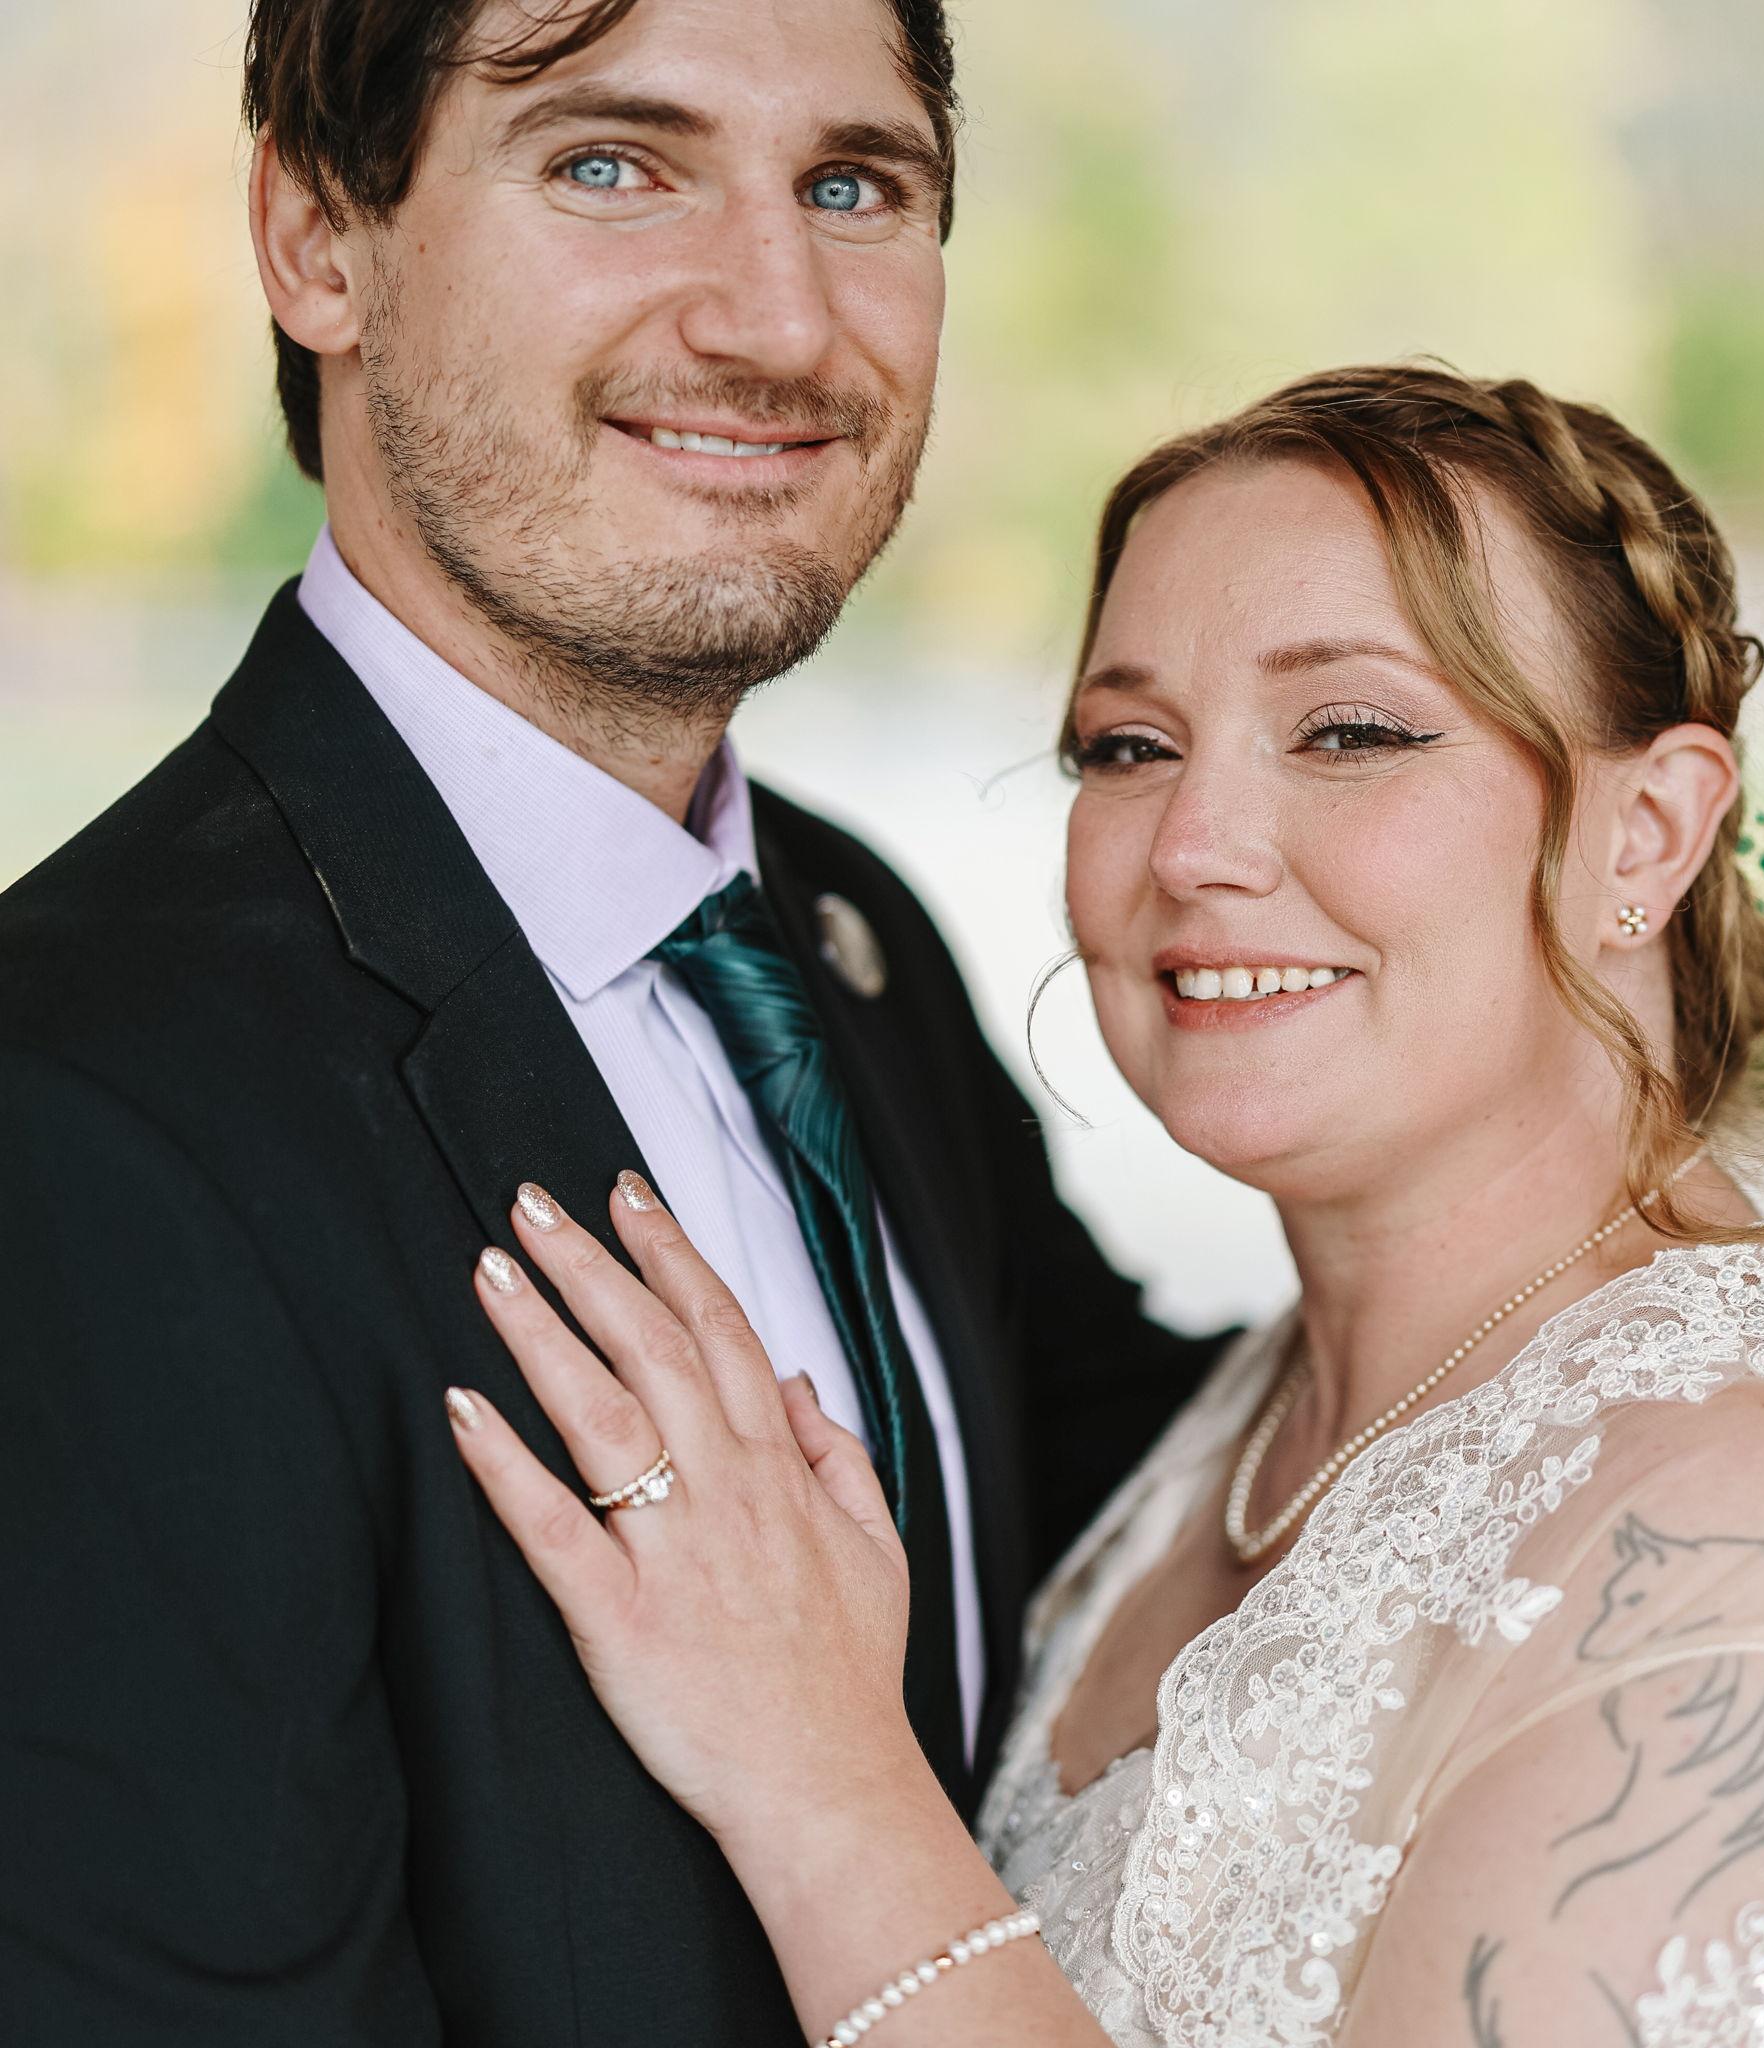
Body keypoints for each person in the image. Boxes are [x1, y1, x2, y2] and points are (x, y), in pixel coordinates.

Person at [449, 365, 1764, 2047]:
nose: (1193, 845)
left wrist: (820, 1779)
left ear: (1646, 833)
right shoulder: (1241, 1425)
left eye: (1350, 731)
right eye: (1129, 747)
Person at [0, 2, 1216, 2041]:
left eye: (854, 186)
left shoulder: (834, 933)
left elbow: (1183, 1498)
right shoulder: (73, 1130)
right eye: (608, 164)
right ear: (317, 240)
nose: (778, 322)